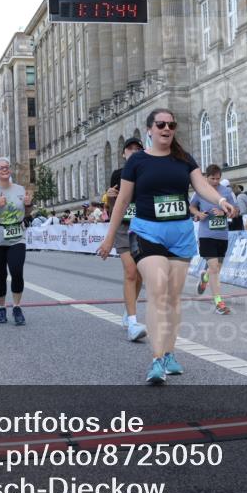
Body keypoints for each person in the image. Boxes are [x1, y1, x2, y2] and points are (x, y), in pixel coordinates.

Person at [97, 108, 238, 385]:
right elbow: (123, 201)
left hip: (181, 234)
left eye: (171, 124)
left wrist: (220, 201)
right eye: (160, 124)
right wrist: (109, 237)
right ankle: (157, 359)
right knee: (158, 288)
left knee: (173, 298)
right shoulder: (136, 161)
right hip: (147, 232)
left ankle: (170, 353)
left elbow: (202, 187)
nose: (166, 128)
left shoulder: (184, 159)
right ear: (149, 129)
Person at [0, 157, 34, 325]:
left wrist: (28, 205)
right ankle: (1, 307)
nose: (4, 169)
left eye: (6, 167)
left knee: (17, 271)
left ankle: (17, 307)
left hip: (17, 237)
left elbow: (26, 213)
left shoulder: (19, 189)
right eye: (0, 168)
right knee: (0, 275)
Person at [105, 137, 148, 341]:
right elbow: (114, 208)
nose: (133, 151)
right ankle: (132, 320)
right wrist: (111, 197)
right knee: (130, 271)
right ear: (123, 154)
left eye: (137, 148)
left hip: (142, 228)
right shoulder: (118, 174)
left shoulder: (148, 171)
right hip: (123, 228)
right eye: (129, 149)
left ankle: (127, 309)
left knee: (139, 275)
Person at [191, 164, 238, 315]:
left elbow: (235, 211)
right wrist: (198, 213)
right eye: (212, 178)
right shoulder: (200, 191)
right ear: (206, 177)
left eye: (218, 178)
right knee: (213, 267)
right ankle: (218, 302)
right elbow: (191, 208)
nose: (216, 181)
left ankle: (205, 277)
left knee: (216, 268)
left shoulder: (226, 192)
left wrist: (224, 213)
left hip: (222, 235)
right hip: (205, 235)